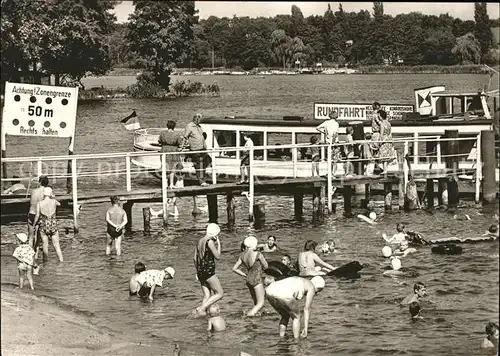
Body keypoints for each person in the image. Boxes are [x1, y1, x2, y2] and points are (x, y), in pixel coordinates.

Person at [232, 236, 269, 317]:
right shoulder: (258, 254)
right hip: (257, 279)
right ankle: (249, 315)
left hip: (248, 279)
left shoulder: (242, 255)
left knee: (256, 302)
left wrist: (244, 274)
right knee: (261, 302)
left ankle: (258, 319)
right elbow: (266, 266)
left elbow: (234, 269)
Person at [194, 223, 224, 316]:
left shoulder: (200, 241)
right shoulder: (209, 241)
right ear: (215, 233)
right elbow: (218, 256)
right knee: (220, 293)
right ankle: (202, 309)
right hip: (209, 271)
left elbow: (195, 259)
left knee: (207, 295)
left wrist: (197, 270)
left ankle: (200, 314)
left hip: (200, 271)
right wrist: (219, 244)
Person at [34, 187, 63, 262]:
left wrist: (34, 224)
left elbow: (37, 215)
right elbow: (59, 204)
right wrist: (53, 196)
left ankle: (45, 262)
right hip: (53, 224)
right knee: (57, 245)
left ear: (43, 194)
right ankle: (61, 260)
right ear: (50, 193)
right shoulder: (54, 201)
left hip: (44, 225)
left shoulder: (40, 203)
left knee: (45, 245)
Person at [182, 113, 208, 186]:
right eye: (200, 119)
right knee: (198, 165)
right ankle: (201, 181)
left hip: (203, 148)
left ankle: (203, 179)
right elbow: (185, 137)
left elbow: (201, 137)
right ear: (196, 119)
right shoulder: (190, 126)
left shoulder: (199, 127)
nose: (200, 121)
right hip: (195, 149)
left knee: (205, 163)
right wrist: (182, 147)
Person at [158, 120, 184, 189]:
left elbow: (159, 142)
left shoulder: (162, 133)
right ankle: (171, 184)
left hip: (164, 150)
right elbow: (180, 143)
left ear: (167, 126)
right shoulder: (176, 134)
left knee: (165, 166)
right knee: (173, 167)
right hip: (173, 150)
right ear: (174, 126)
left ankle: (165, 183)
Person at [28, 175, 49, 248]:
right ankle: (36, 256)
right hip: (40, 215)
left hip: (31, 213)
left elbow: (31, 201)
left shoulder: (33, 191)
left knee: (30, 237)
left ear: (39, 182)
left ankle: (29, 254)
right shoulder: (47, 192)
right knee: (38, 237)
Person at [316, 111, 340, 176]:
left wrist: (324, 132)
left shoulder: (326, 122)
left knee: (329, 159)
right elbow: (335, 134)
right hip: (334, 143)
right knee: (335, 160)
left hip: (327, 143)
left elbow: (317, 128)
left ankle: (329, 172)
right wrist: (333, 142)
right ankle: (333, 173)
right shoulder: (336, 124)